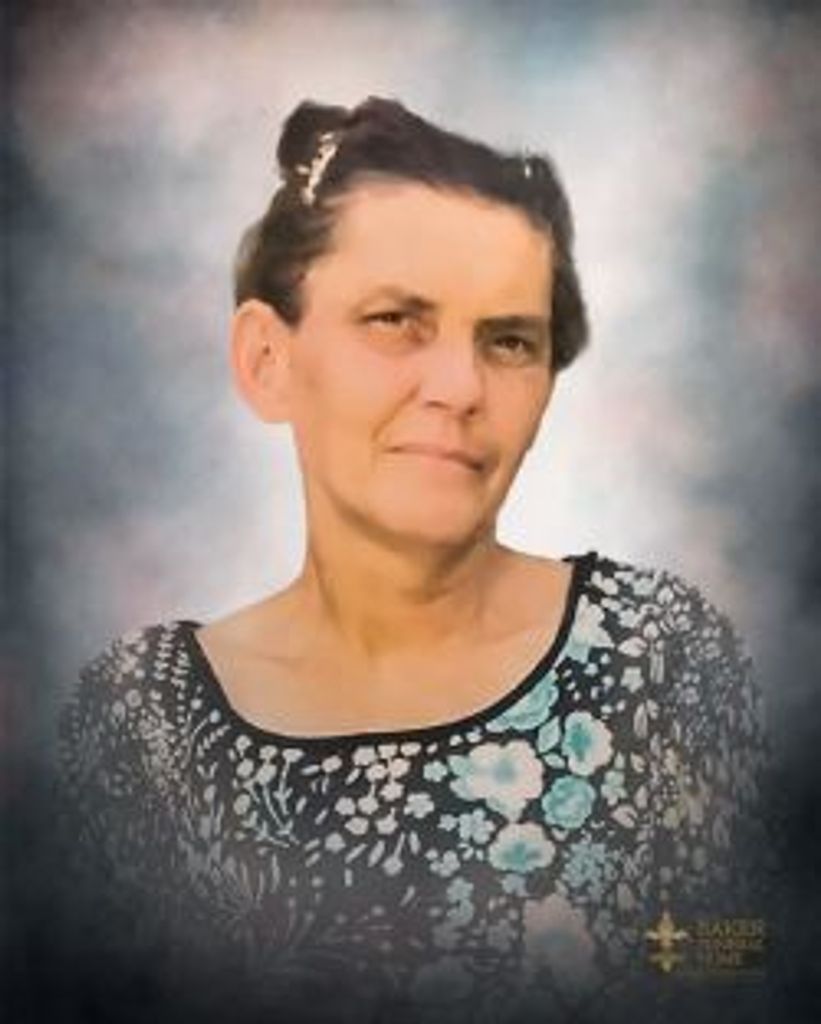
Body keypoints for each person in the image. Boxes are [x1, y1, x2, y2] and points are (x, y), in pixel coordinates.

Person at [50, 97, 778, 1024]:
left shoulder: (656, 660)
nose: (460, 388)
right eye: (395, 319)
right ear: (267, 359)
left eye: (508, 341)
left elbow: (758, 955)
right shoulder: (141, 727)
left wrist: (653, 956)